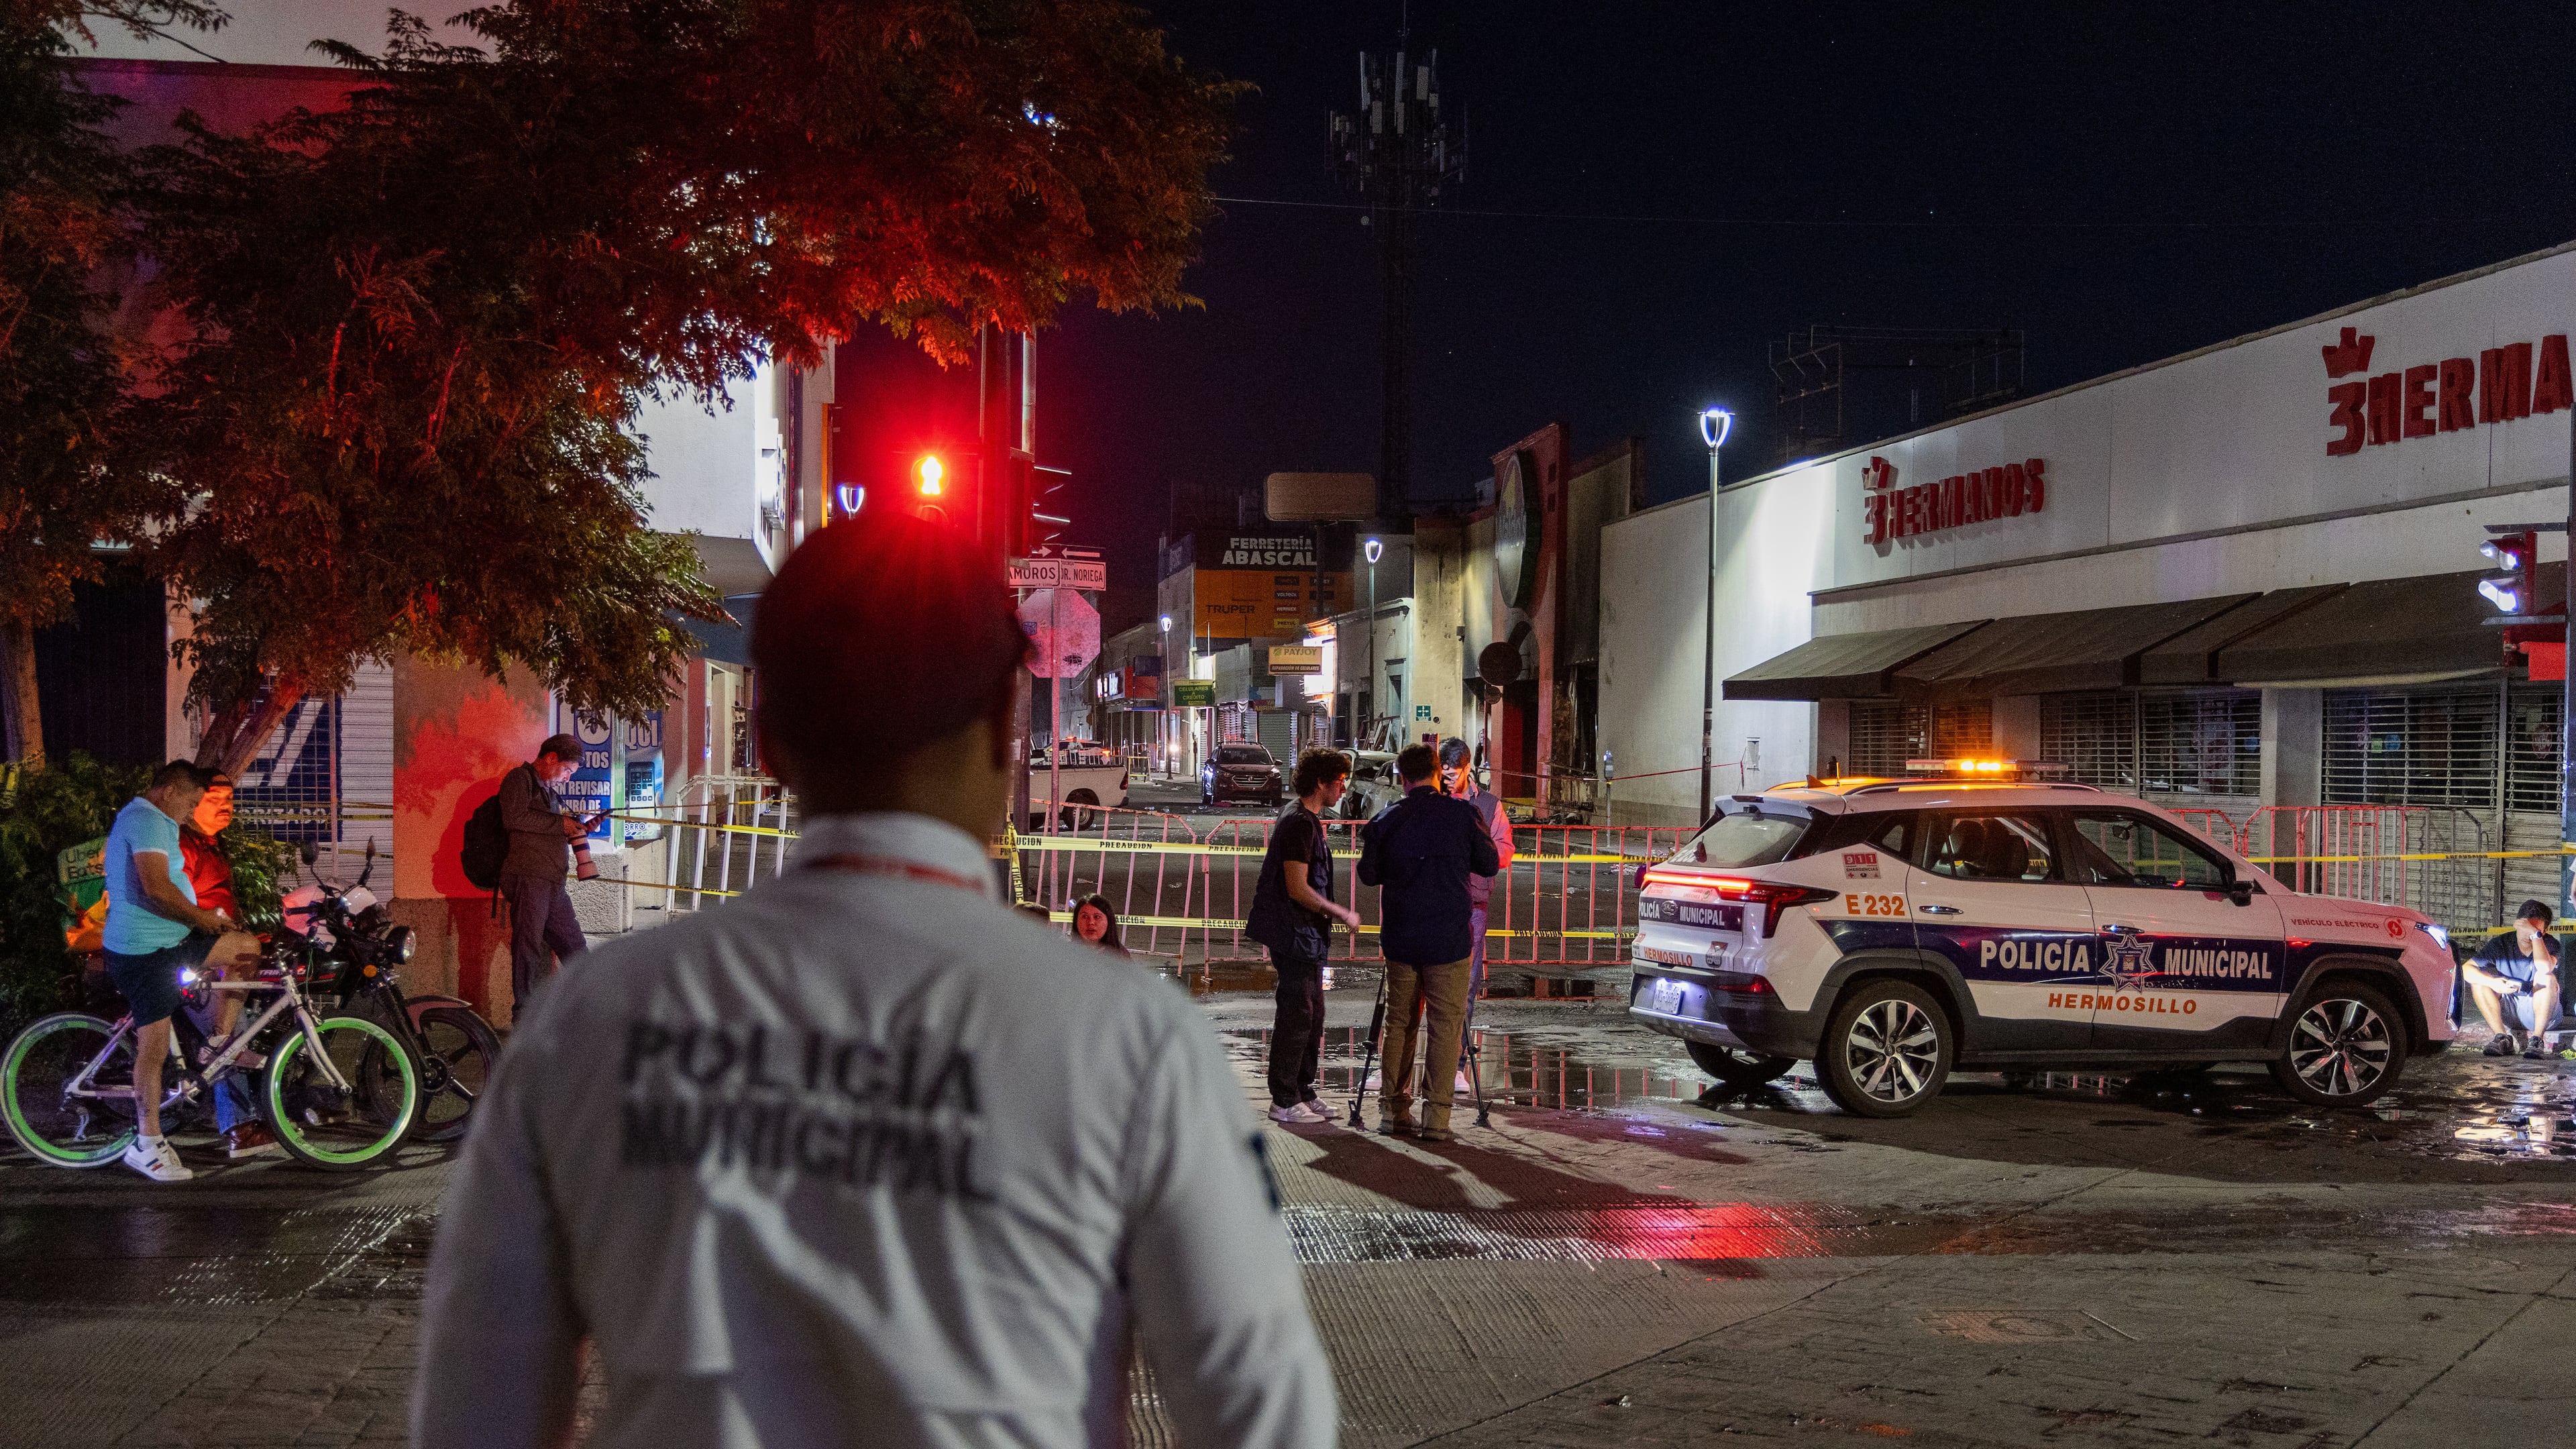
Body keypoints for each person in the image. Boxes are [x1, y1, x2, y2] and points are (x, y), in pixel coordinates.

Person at [415, 510, 1334, 1449]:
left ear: (766, 740)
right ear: (1004, 728)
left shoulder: (591, 1022)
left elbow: (475, 1412)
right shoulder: (1135, 1044)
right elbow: (1266, 1417)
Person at [99, 761, 264, 1182]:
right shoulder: (148, 820)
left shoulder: (157, 821)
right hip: (145, 952)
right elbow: (155, 889)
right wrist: (204, 919)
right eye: (192, 802)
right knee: (152, 1051)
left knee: (245, 947)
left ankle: (220, 1041)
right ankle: (147, 1145)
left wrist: (205, 920)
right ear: (170, 790)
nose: (193, 812)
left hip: (170, 943)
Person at [1356, 744, 1499, 1141]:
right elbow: (1489, 864)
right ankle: (1436, 1118)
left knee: (1400, 1023)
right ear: (1439, 773)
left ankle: (1393, 1111)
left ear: (1403, 779)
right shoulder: (1464, 815)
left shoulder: (1387, 820)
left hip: (1402, 940)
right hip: (1450, 941)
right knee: (1445, 1026)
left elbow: (1368, 874)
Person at [1246, 749, 1360, 1125]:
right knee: (1297, 1014)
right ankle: (1284, 1098)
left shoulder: (1306, 819)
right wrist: (1339, 911)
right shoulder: (1298, 823)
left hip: (1306, 934)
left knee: (1313, 1014)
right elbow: (1297, 887)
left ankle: (1302, 1091)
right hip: (1293, 932)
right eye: (1339, 780)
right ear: (1320, 782)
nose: (1344, 788)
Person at [178, 771, 276, 1160]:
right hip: (194, 953)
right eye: (215, 798)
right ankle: (237, 1128)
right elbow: (181, 900)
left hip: (215, 946)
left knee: (240, 1020)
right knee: (229, 1035)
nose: (225, 806)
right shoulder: (183, 844)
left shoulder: (212, 844)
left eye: (230, 798)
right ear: (192, 802)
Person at [496, 734, 590, 1016]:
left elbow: (547, 830)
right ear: (551, 759)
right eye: (567, 770)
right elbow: (514, 818)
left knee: (575, 946)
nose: (568, 778)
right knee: (527, 946)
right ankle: (523, 1014)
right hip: (528, 876)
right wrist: (559, 822)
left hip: (552, 882)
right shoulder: (519, 779)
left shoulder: (549, 790)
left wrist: (578, 827)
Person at [1437, 737, 1514, 1077]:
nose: (1448, 779)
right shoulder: (1434, 801)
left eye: (1453, 773)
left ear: (1468, 768)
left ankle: (1457, 1062)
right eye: (1444, 773)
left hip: (1473, 904)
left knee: (1467, 984)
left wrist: (1476, 856)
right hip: (1438, 901)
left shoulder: (1488, 805)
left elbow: (1504, 850)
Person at [2465, 899, 2569, 1059]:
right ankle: (2502, 1037)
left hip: (2542, 1014)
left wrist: (2536, 937)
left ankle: (2537, 1040)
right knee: (2480, 981)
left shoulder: (2551, 944)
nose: (2528, 935)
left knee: (2545, 978)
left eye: (2535, 931)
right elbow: (2466, 969)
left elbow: (2544, 968)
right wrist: (2492, 983)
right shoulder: (2501, 943)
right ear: (2516, 925)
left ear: (2545, 931)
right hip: (2510, 1008)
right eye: (2525, 929)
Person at [1071, 893, 1130, 957]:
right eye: (1085, 917)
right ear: (1076, 921)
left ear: (1109, 921)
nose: (1091, 922)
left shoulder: (1121, 955)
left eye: (1097, 917)